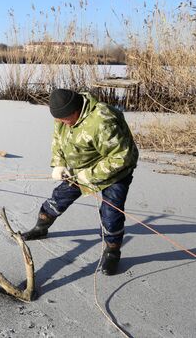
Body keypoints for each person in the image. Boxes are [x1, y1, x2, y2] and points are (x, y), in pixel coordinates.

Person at [23, 88, 139, 275]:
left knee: (111, 216)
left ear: (76, 110)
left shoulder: (102, 121)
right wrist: (59, 164)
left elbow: (121, 158)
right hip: (78, 169)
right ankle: (40, 228)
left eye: (64, 119)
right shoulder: (63, 115)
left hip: (116, 173)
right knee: (57, 200)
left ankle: (112, 252)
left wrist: (88, 176)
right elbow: (58, 139)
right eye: (58, 119)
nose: (61, 123)